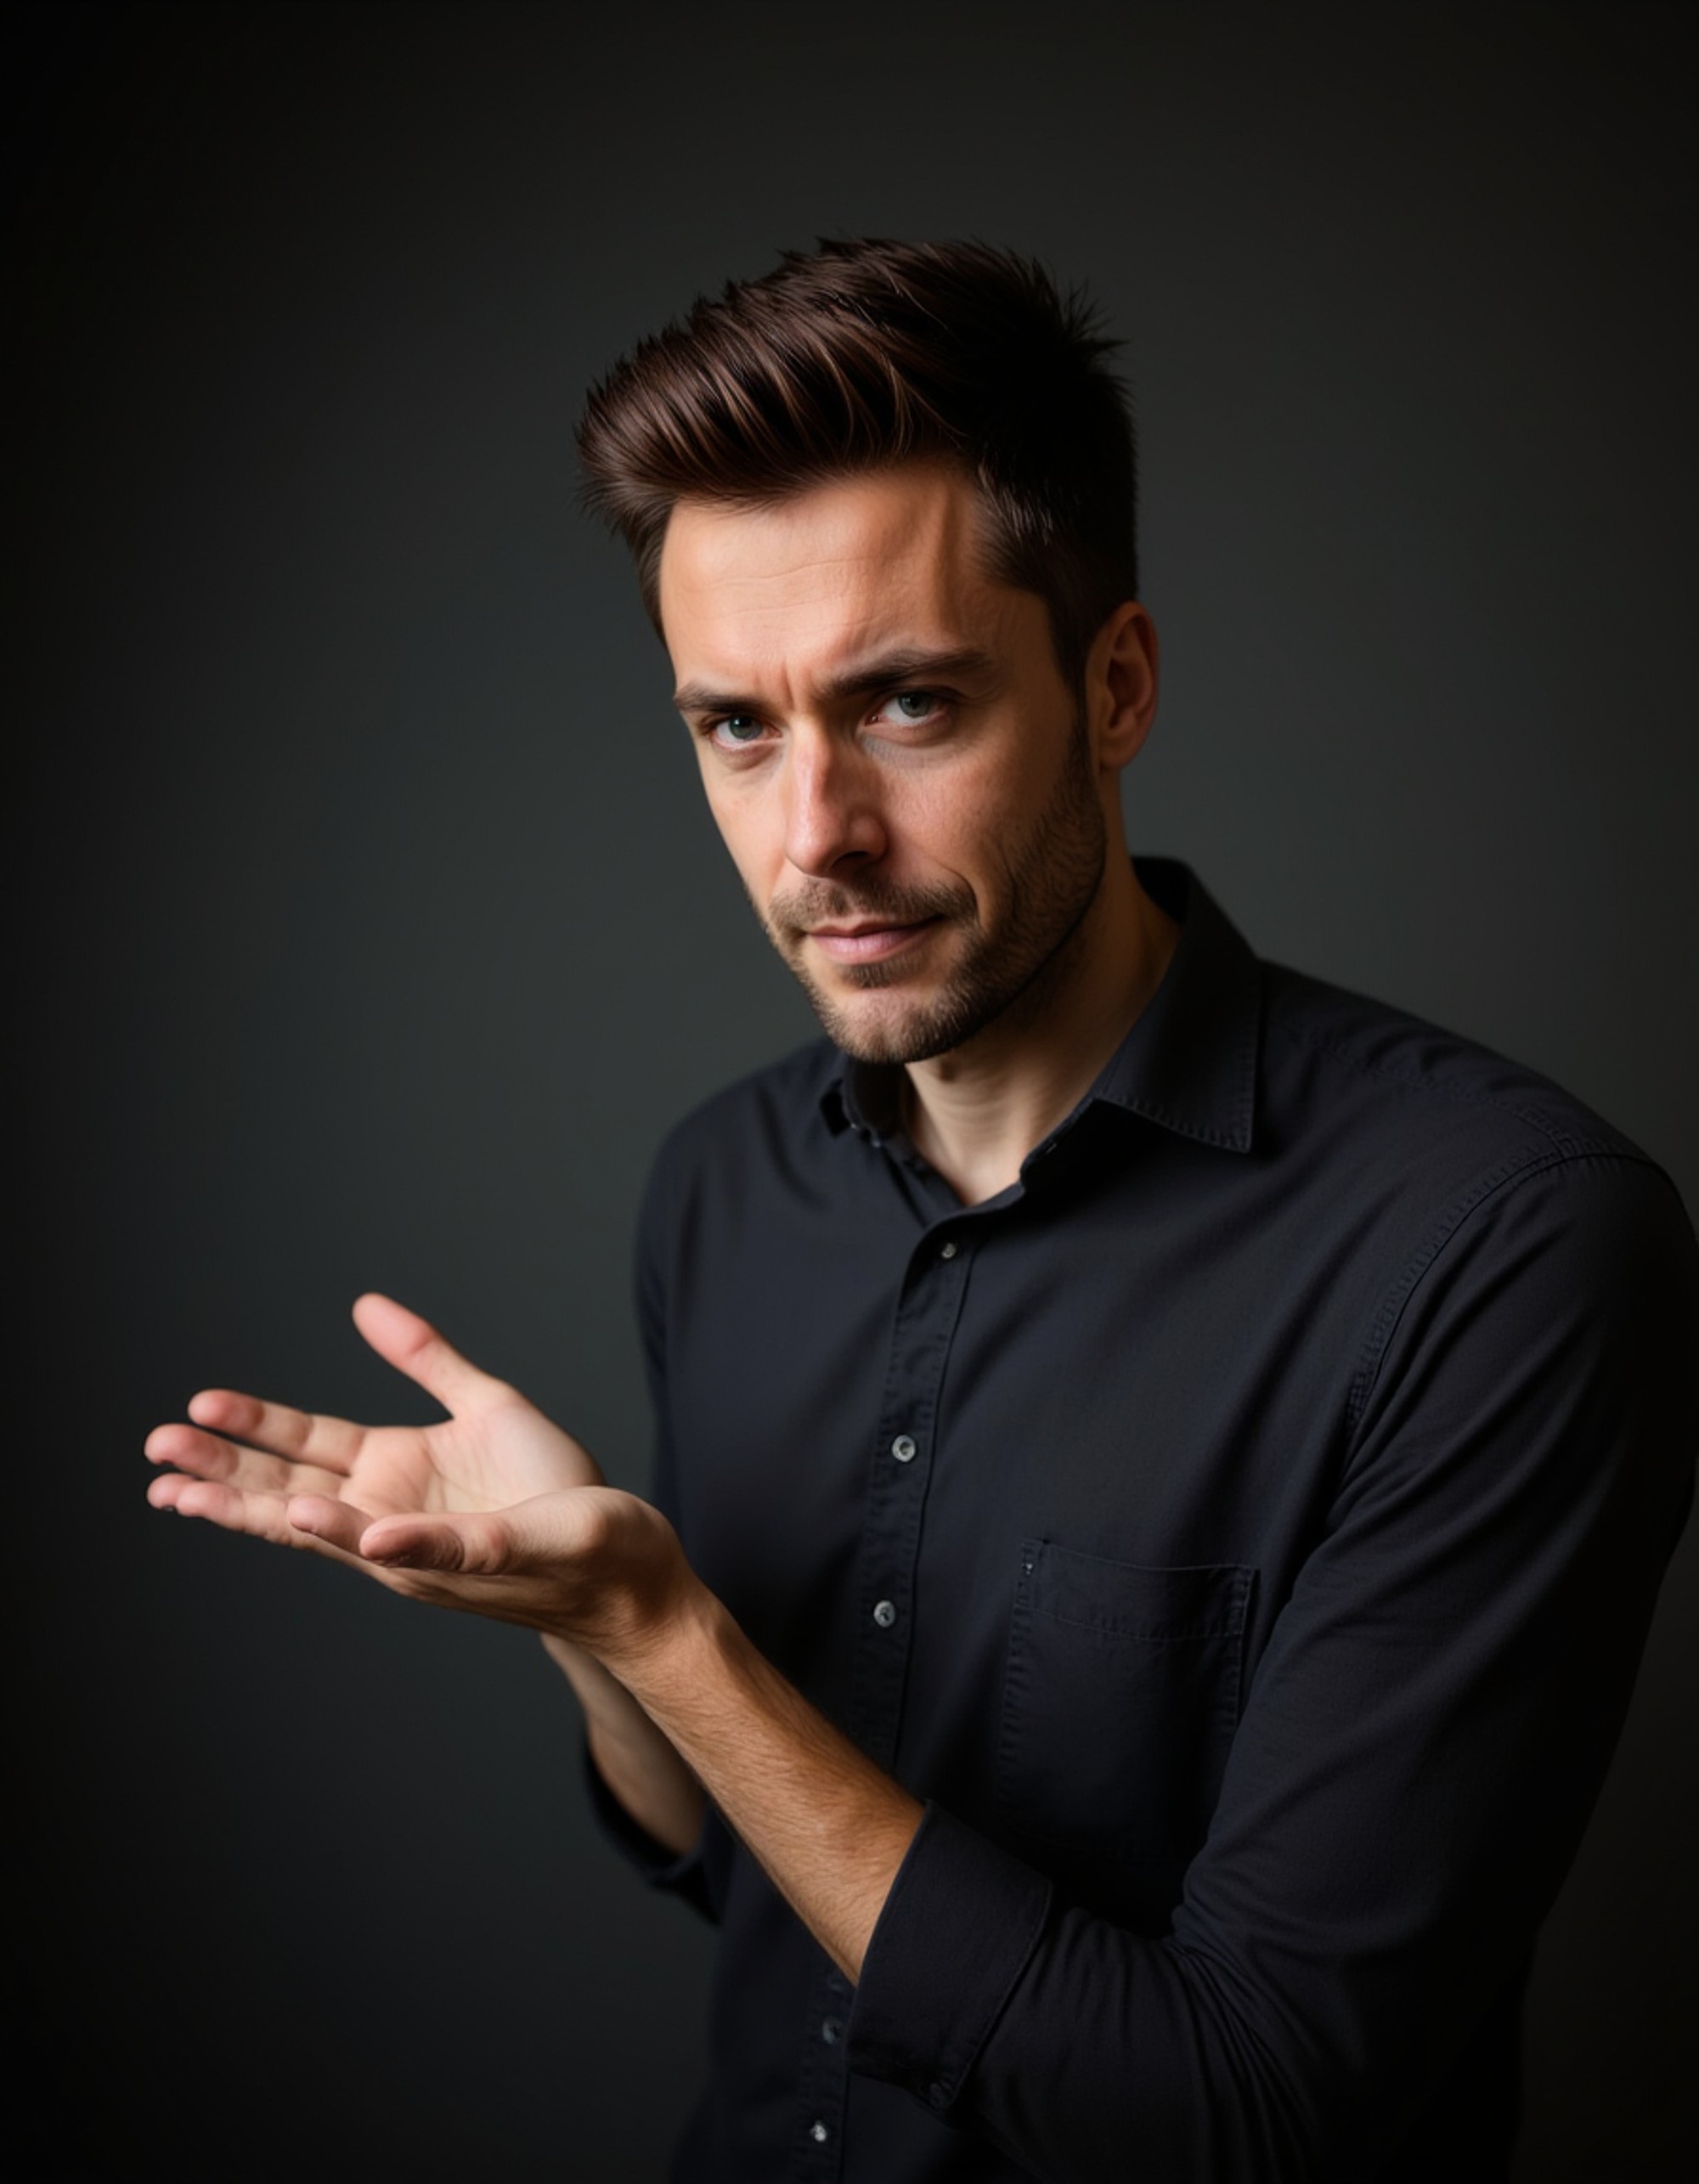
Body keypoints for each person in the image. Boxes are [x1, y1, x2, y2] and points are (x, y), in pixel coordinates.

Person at [145, 240, 1696, 2182]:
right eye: (737, 725)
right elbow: (735, 1863)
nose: (816, 838)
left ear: (1113, 685)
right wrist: (583, 1616)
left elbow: (1248, 2113)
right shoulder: (719, 1184)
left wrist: (671, 1632)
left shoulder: (1502, 1246)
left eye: (904, 704)